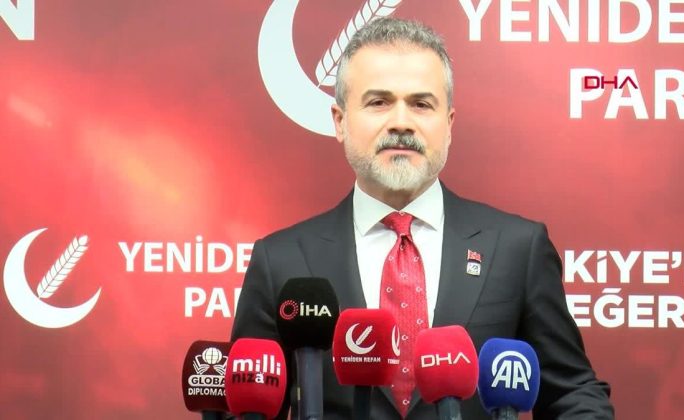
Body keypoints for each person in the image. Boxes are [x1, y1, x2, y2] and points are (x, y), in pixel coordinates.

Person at [232, 17, 613, 419]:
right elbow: (247, 408)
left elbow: (573, 393)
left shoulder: (519, 249)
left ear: (448, 125)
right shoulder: (280, 262)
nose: (401, 122)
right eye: (378, 102)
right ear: (340, 121)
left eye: (421, 104)